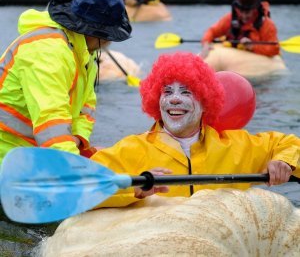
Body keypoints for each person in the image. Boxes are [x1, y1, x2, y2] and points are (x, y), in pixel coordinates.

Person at [91, 51, 300, 207]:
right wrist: (135, 187)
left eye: (185, 92)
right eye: (167, 91)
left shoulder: (235, 146)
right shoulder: (132, 149)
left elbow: (288, 143)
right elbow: (81, 186)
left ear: (205, 101)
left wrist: (284, 162)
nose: (174, 99)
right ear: (156, 99)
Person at [0, 0, 132, 163]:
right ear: (97, 34)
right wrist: (73, 168)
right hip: (7, 153)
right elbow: (51, 118)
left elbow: (87, 106)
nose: (110, 42)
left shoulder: (84, 53)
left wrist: (77, 138)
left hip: (35, 151)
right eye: (110, 36)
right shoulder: (47, 51)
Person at [201, 0, 280, 58]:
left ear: (254, 10)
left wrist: (253, 46)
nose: (244, 16)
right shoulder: (230, 18)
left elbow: (274, 48)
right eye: (241, 11)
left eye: (247, 12)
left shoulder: (267, 24)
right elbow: (211, 31)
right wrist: (206, 43)